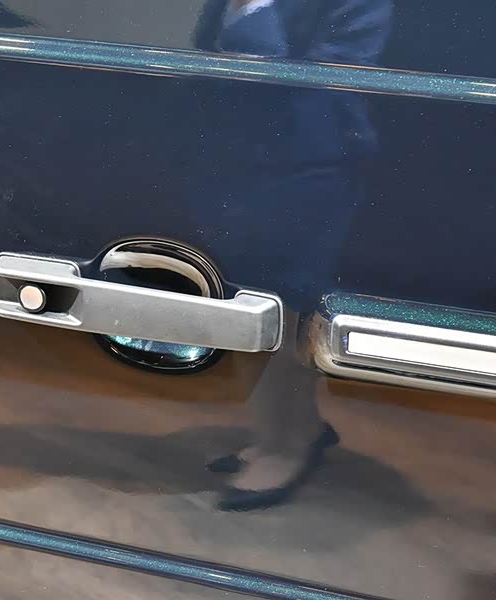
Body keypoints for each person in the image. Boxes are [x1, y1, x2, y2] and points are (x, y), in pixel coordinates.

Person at [193, 0, 393, 511]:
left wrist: (252, 9)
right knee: (250, 303)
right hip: (245, 160)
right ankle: (287, 430)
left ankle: (285, 446)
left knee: (286, 308)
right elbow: (205, 51)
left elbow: (319, 88)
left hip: (310, 163)